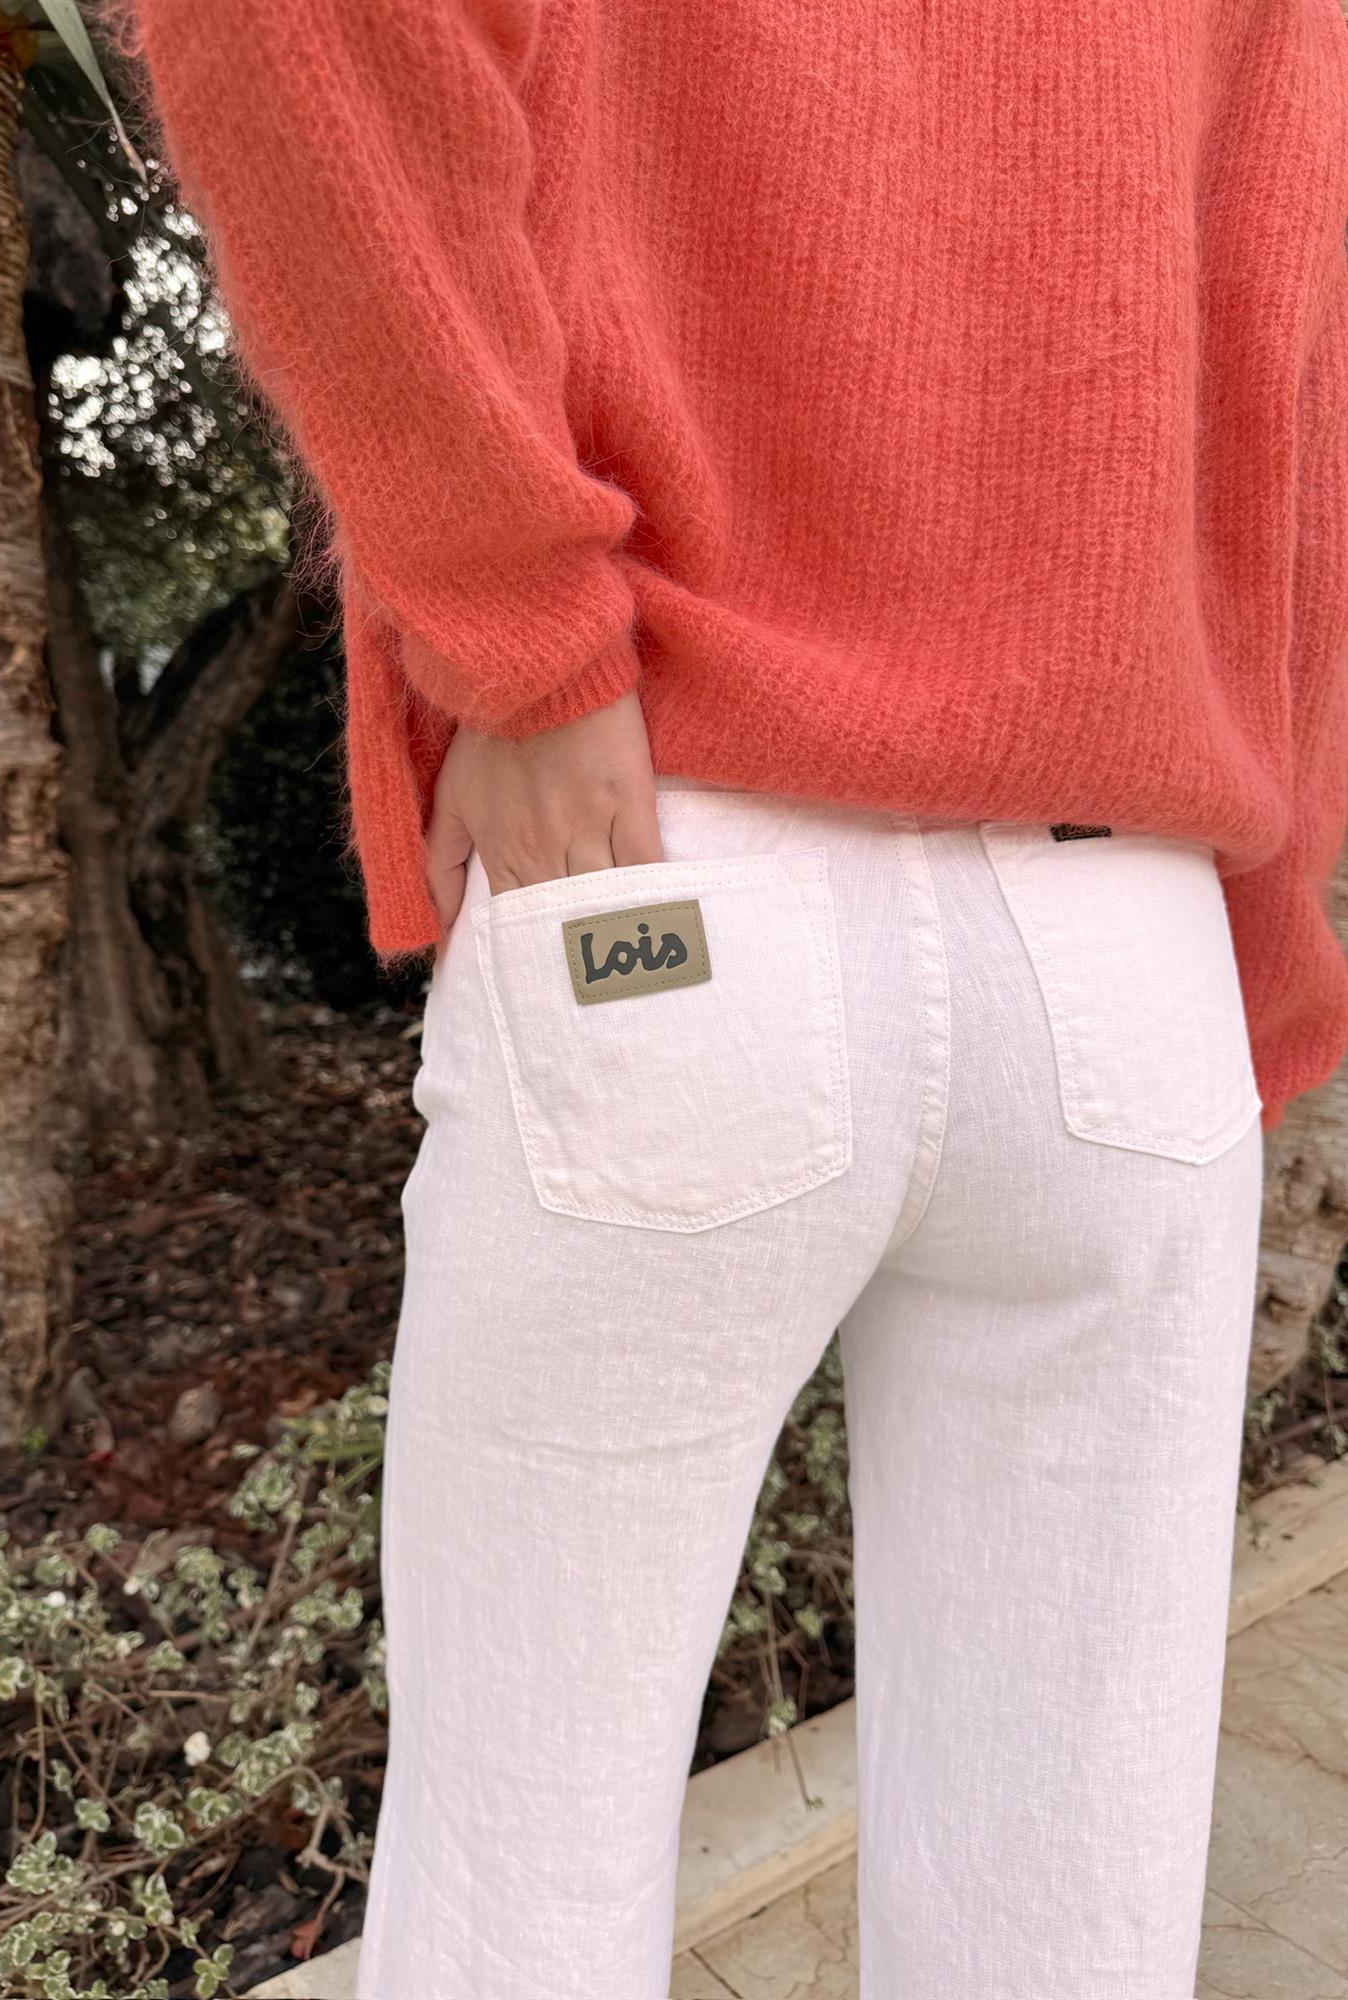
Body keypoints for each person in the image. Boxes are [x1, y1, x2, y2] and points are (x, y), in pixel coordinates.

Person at [127, 2, 1348, 1993]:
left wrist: (523, 636)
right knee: (1067, 1910)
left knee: (520, 1890)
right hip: (1127, 926)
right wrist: (1266, 915)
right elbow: (1298, 312)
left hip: (668, 879)